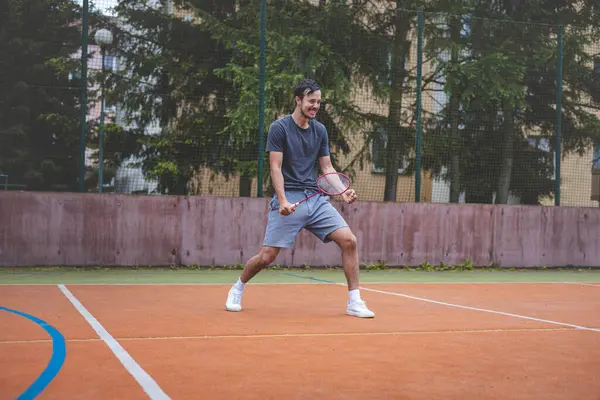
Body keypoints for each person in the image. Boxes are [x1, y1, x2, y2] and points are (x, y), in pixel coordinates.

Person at [224, 79, 375, 318]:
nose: (315, 106)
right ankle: (237, 288)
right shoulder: (279, 128)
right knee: (267, 256)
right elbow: (275, 167)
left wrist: (342, 191)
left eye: (318, 102)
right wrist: (282, 200)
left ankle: (354, 301)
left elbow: (326, 168)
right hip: (290, 198)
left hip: (316, 199)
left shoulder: (320, 130)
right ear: (298, 100)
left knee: (349, 241)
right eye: (311, 101)